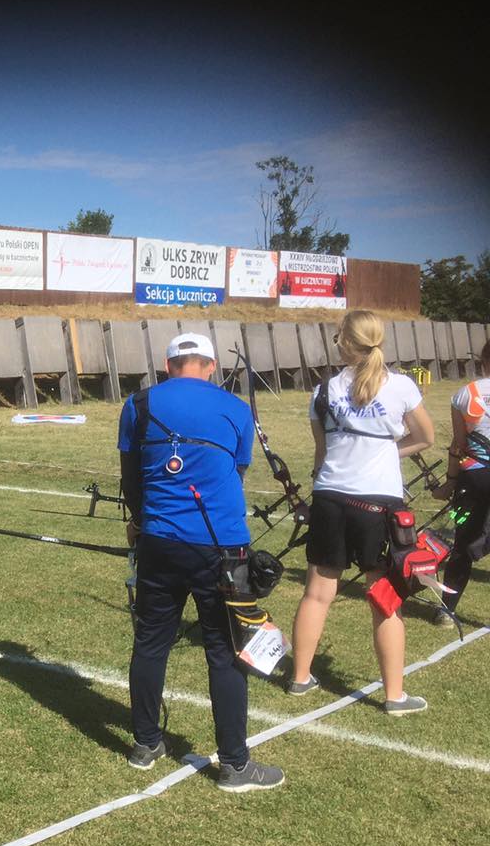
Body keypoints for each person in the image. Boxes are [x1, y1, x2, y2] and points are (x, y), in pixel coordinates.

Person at [118, 332, 284, 791]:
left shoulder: (139, 403)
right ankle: (234, 764)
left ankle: (146, 742)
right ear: (210, 366)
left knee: (152, 642)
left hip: (159, 541)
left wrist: (140, 520)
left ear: (169, 365)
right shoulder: (235, 408)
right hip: (223, 549)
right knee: (225, 652)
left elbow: (131, 477)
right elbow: (237, 472)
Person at [286, 310, 434, 713]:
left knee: (317, 594)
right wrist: (389, 451)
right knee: (384, 598)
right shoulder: (401, 386)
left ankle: (300, 677)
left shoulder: (324, 389)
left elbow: (322, 455)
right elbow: (427, 437)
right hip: (378, 503)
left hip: (331, 498)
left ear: (344, 342)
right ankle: (394, 695)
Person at [429, 338, 490, 624]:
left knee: (461, 541)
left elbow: (459, 446)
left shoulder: (465, 394)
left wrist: (450, 483)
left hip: (473, 476)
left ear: (483, 363)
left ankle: (447, 608)